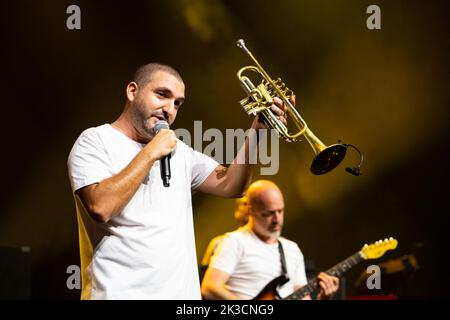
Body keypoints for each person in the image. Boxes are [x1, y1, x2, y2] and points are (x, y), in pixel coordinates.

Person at [67, 63, 288, 299]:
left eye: (177, 103)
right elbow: (100, 206)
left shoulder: (179, 152)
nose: (169, 109)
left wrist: (258, 130)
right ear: (133, 91)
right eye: (162, 94)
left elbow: (233, 185)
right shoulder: (95, 141)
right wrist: (151, 152)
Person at [201, 180, 340, 300]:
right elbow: (210, 288)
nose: (277, 220)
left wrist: (323, 298)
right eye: (268, 213)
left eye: (280, 211)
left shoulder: (292, 249)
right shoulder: (235, 241)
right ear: (250, 210)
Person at [199, 196, 249, 280]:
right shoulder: (219, 242)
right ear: (237, 211)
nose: (248, 208)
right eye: (244, 204)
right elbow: (202, 279)